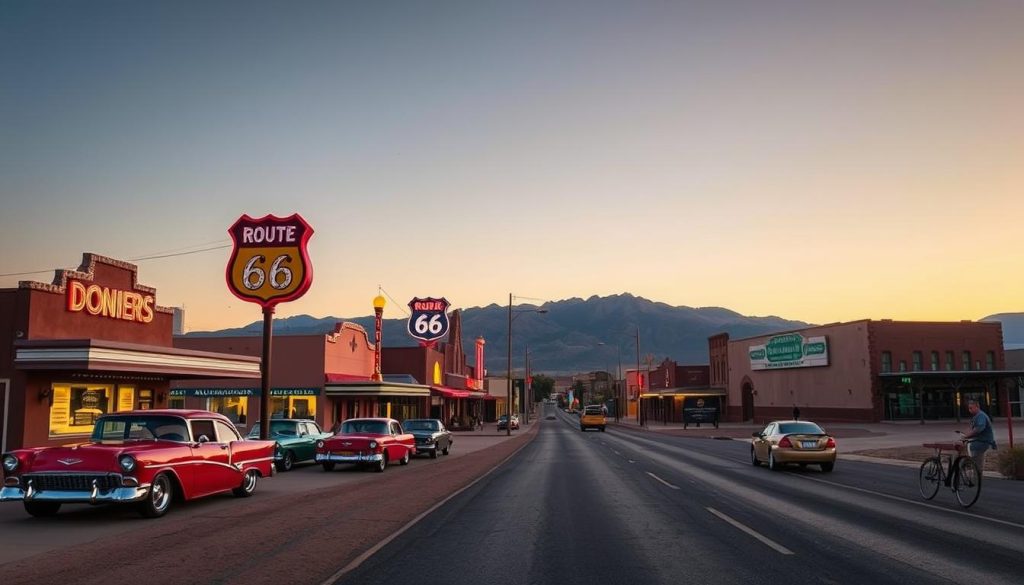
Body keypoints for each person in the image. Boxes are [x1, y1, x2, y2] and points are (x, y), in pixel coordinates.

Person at [962, 399, 996, 472]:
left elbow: (979, 428)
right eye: (969, 408)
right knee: (977, 459)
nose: (969, 410)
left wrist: (967, 436)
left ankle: (974, 472)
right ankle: (975, 472)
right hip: (981, 440)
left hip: (982, 441)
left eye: (971, 408)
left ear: (977, 407)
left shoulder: (980, 416)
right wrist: (966, 434)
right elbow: (972, 428)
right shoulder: (976, 416)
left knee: (976, 459)